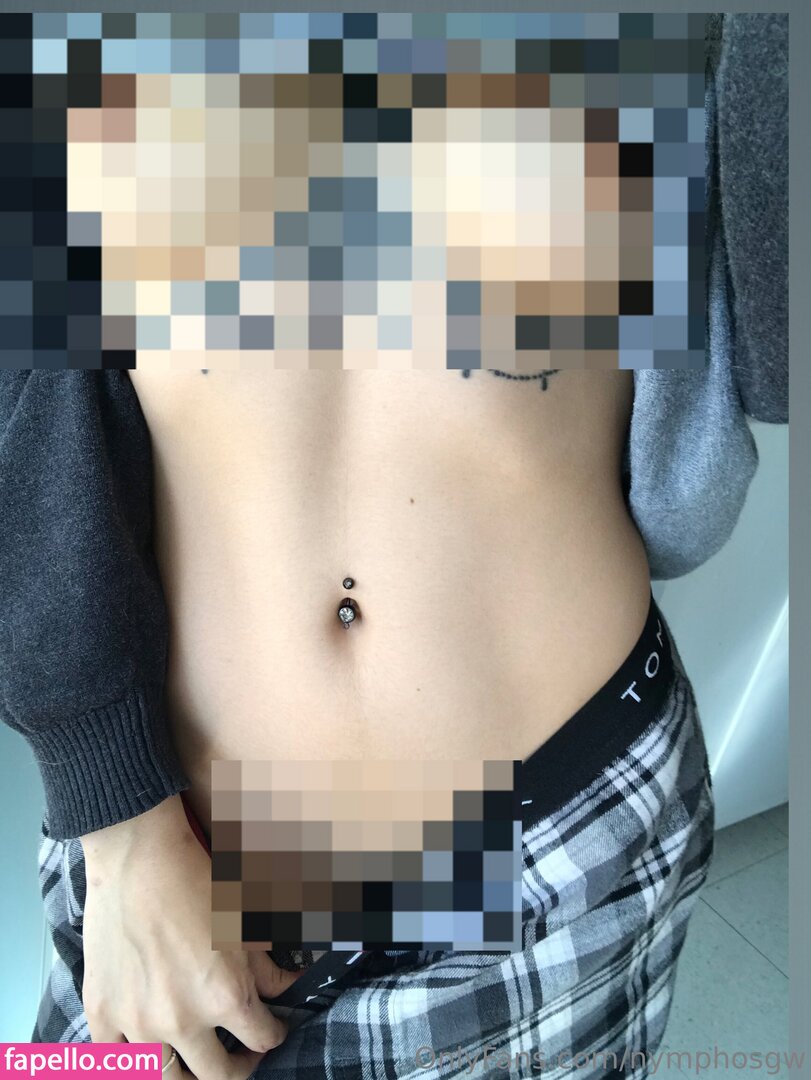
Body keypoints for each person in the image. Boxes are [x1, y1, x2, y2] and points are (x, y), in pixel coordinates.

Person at [0, 12, 787, 1080]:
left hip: (563, 843)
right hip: (176, 853)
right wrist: (117, 820)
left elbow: (778, 333)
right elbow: (25, 424)